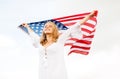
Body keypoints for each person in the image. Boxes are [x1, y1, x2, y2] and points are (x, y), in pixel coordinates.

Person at [22, 10, 96, 79]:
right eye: (45, 26)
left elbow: (75, 26)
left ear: (54, 29)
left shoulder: (60, 40)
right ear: (43, 30)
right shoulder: (40, 42)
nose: (47, 27)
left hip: (58, 74)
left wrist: (89, 16)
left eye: (50, 26)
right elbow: (32, 34)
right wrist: (27, 26)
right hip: (43, 74)